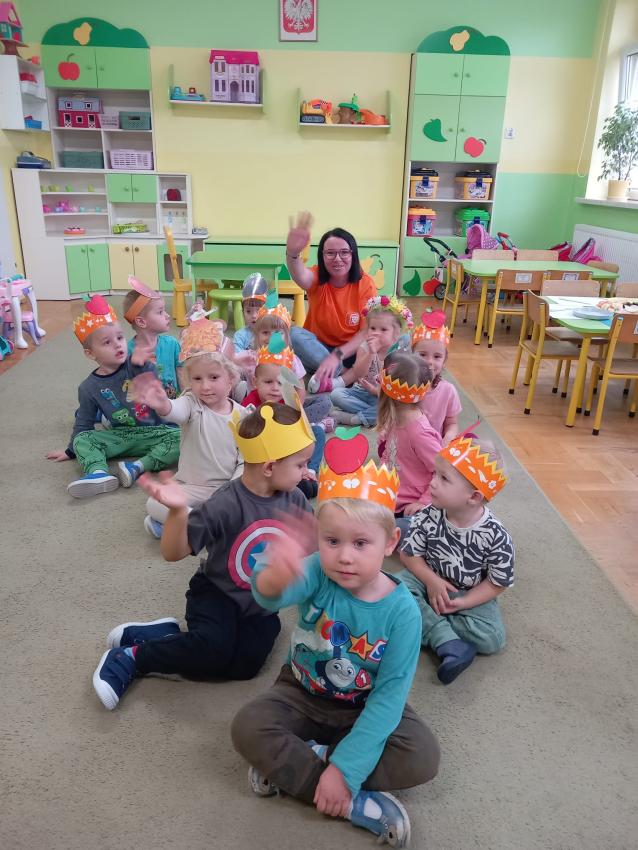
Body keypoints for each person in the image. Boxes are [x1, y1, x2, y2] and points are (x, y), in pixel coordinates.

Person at [231, 430, 440, 847]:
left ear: (390, 543)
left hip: (364, 703)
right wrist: (272, 576)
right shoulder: (316, 569)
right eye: (332, 541)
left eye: (361, 543)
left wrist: (345, 768)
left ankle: (305, 765)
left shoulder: (403, 612)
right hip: (300, 690)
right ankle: (349, 801)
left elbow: (389, 697)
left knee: (422, 756)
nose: (344, 556)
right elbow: (269, 598)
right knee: (247, 727)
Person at [92, 401, 315, 710]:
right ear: (269, 467)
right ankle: (132, 657)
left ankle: (170, 634)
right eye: (301, 464)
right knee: (212, 649)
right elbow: (173, 553)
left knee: (245, 667)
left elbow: (314, 551)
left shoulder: (297, 499)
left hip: (260, 603)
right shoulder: (225, 503)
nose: (307, 472)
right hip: (216, 592)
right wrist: (177, 512)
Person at [399, 434, 513, 685]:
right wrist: (431, 580)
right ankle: (445, 638)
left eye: (444, 478)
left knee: (492, 637)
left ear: (473, 497)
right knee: (394, 588)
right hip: (426, 577)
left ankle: (424, 622)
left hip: (467, 592)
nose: (432, 483)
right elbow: (408, 554)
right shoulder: (429, 513)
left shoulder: (496, 535)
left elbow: (497, 583)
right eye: (435, 474)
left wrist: (464, 602)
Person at [45, 295, 180, 498]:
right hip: (120, 436)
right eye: (107, 342)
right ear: (91, 354)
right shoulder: (88, 387)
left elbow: (153, 382)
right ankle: (98, 473)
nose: (118, 345)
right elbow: (83, 422)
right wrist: (70, 450)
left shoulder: (134, 365)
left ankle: (137, 467)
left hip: (157, 431)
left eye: (119, 338)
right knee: (83, 439)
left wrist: (143, 364)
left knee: (184, 437)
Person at [130, 318, 248, 539]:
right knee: (155, 502)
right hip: (190, 485)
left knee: (252, 510)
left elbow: (245, 460)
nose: (205, 386)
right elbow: (175, 410)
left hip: (225, 490)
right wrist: (162, 404)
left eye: (214, 377)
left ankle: (179, 525)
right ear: (189, 381)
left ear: (231, 379)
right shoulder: (192, 403)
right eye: (197, 379)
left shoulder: (243, 416)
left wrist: (232, 491)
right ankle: (201, 524)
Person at [285, 212, 377, 384]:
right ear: (322, 255)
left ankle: (330, 373)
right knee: (294, 334)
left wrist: (337, 355)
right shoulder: (317, 276)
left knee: (385, 337)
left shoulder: (365, 284)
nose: (337, 259)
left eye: (344, 252)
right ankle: (345, 375)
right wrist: (293, 252)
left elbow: (365, 332)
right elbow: (300, 275)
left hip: (351, 350)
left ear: (353, 254)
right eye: (330, 253)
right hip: (319, 348)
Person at [241, 341, 326, 500]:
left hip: (291, 451)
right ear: (255, 382)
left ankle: (309, 471)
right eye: (268, 382)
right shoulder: (249, 404)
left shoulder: (288, 400)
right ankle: (293, 478)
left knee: (317, 433)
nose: (275, 388)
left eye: (281, 383)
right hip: (269, 458)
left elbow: (299, 432)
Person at [377, 351, 441, 535]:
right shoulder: (395, 419)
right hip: (392, 495)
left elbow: (443, 471)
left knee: (397, 530)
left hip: (412, 506)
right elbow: (390, 455)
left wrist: (423, 502)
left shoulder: (420, 434)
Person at [327, 295, 413, 427]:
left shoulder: (398, 351)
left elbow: (400, 385)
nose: (376, 333)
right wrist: (371, 353)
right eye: (373, 328)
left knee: (398, 405)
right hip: (360, 392)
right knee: (336, 395)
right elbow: (359, 373)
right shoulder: (365, 347)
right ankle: (378, 415)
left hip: (384, 395)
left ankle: (356, 419)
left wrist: (375, 391)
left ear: (396, 333)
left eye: (383, 330)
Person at [122, 275, 182, 399]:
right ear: (141, 322)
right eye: (160, 312)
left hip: (173, 404)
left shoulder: (172, 344)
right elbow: (126, 386)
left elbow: (181, 373)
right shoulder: (127, 352)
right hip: (145, 406)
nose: (167, 315)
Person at [411, 310, 461, 445]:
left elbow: (452, 423)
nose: (429, 362)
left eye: (437, 356)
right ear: (411, 356)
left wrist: (448, 437)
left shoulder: (448, 391)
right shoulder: (404, 386)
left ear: (444, 361)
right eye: (422, 355)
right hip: (407, 446)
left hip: (434, 447)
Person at [233, 272, 269, 352]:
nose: (254, 316)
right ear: (243, 312)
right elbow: (236, 356)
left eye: (258, 310)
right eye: (248, 311)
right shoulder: (240, 336)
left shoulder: (272, 333)